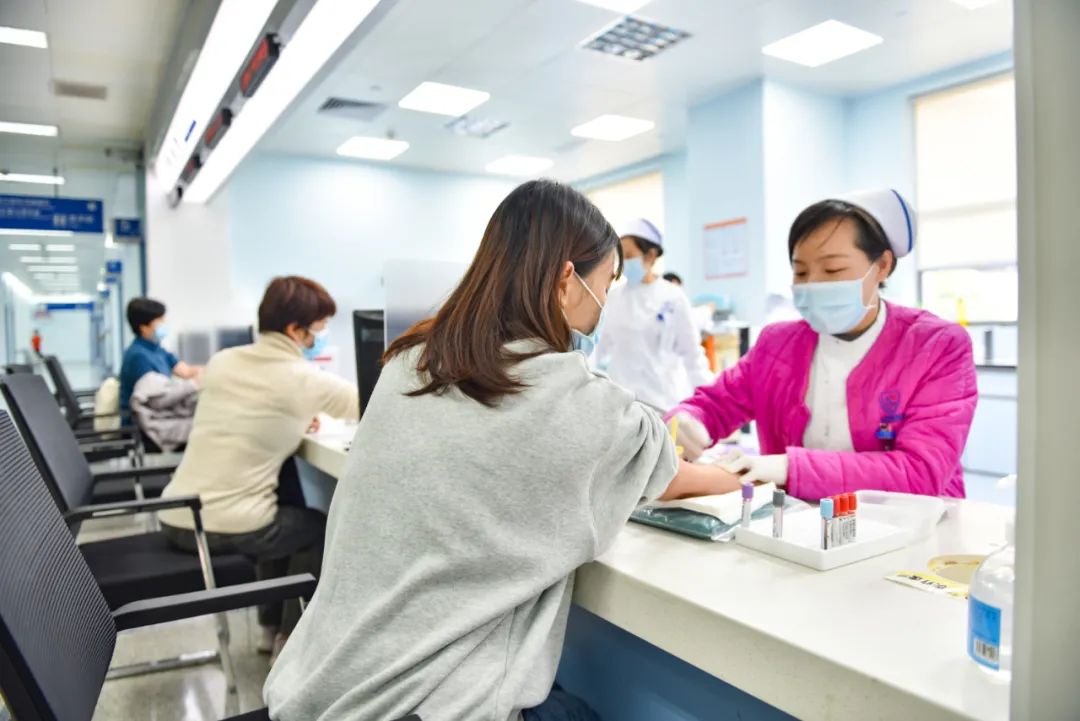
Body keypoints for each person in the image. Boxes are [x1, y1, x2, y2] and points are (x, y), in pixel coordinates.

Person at [265, 180, 741, 721]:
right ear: (566, 281)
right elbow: (684, 477)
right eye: (604, 288)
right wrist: (746, 473)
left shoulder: (409, 361)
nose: (603, 308)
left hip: (315, 691)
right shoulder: (579, 401)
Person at [670, 189, 978, 500]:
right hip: (801, 518)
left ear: (882, 265)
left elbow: (920, 473)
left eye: (833, 270)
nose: (812, 284)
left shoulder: (936, 346)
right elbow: (716, 404)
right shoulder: (777, 344)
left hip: (909, 520)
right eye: (801, 271)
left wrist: (788, 468)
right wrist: (687, 420)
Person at [158, 276, 359, 657]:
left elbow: (246, 416)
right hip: (222, 528)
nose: (320, 337)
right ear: (294, 330)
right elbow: (368, 404)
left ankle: (269, 628)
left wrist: (294, 417)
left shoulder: (222, 361)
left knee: (281, 513)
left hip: (176, 515)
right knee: (314, 528)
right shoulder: (303, 378)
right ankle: (289, 641)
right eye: (318, 328)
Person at [594, 218, 713, 411]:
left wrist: (709, 402)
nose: (624, 263)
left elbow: (693, 355)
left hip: (663, 402)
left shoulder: (673, 297)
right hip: (622, 404)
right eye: (621, 257)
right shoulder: (613, 298)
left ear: (650, 255)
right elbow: (599, 348)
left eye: (629, 256)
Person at [119, 298, 201, 423]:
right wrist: (193, 385)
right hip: (143, 423)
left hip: (159, 414)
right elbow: (156, 400)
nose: (164, 324)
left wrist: (214, 369)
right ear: (144, 328)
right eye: (160, 321)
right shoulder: (138, 356)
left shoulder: (157, 349)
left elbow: (186, 371)